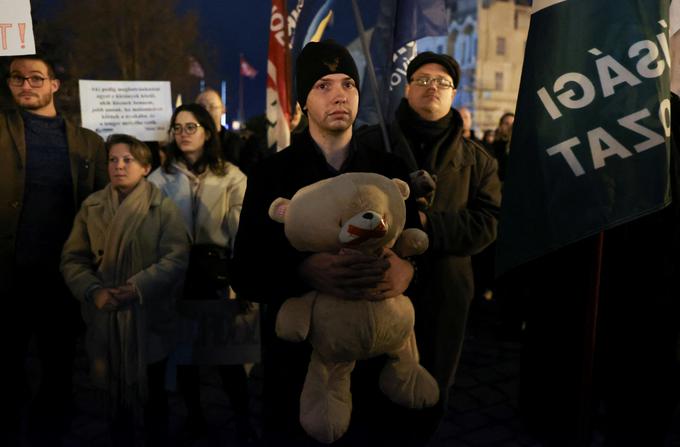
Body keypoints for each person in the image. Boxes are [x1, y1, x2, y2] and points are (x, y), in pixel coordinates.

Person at [232, 39, 421, 446]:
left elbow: (418, 244)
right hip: (299, 368)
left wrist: (408, 271)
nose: (339, 94)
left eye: (348, 83)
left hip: (375, 363)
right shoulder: (271, 175)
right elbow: (245, 270)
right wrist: (301, 270)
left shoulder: (388, 170)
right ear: (302, 102)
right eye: (323, 85)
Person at [357, 51, 501, 440]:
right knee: (373, 386)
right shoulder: (371, 143)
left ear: (454, 93)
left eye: (442, 82)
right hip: (377, 287)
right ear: (407, 89)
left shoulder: (478, 161)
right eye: (422, 79)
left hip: (445, 293)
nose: (432, 87)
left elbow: (487, 223)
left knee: (431, 389)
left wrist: (426, 225)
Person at [0, 53, 108, 444]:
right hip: (8, 275)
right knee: (8, 367)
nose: (25, 85)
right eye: (17, 79)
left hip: (62, 279)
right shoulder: (2, 128)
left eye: (35, 78)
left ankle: (51, 430)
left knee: (58, 367)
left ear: (53, 85)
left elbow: (100, 206)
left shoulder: (88, 143)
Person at [60, 134, 190, 446]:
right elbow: (73, 259)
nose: (119, 166)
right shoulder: (91, 207)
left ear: (146, 167)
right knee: (113, 401)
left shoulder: (162, 209)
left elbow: (176, 257)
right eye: (113, 160)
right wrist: (93, 291)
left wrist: (137, 287)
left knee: (154, 394)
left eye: (127, 160)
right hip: (105, 316)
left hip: (148, 318)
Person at [147, 103, 257, 444]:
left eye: (190, 127)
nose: (182, 134)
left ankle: (242, 421)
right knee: (185, 355)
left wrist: (242, 274)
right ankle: (195, 417)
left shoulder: (231, 176)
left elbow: (244, 229)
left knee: (228, 357)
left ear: (207, 132)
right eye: (177, 128)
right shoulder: (160, 178)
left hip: (216, 273)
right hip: (178, 275)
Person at [195, 88, 252, 173]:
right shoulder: (188, 141)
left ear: (223, 110)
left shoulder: (237, 145)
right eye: (202, 107)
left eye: (212, 106)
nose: (206, 110)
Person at [490, 112, 514, 181]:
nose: (510, 127)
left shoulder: (520, 146)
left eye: (513, 124)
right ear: (500, 126)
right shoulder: (493, 146)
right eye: (506, 124)